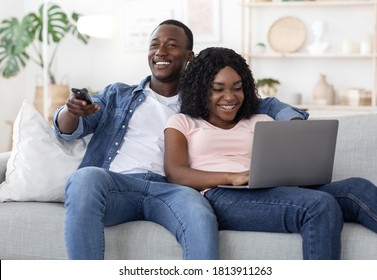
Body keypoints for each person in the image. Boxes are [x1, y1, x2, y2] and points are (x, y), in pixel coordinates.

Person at [54, 20, 308, 260]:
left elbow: (265, 104)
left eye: (171, 45)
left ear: (189, 56)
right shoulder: (118, 95)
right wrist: (71, 110)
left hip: (172, 189)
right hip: (118, 186)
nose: (160, 51)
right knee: (85, 177)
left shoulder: (205, 99)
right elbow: (68, 130)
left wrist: (293, 123)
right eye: (154, 44)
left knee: (199, 213)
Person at [164, 47, 377, 259]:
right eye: (218, 89)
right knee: (319, 204)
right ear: (200, 89)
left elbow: (285, 157)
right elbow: (176, 173)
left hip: (270, 190)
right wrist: (232, 177)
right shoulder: (183, 123)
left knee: (355, 188)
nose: (230, 97)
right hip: (221, 196)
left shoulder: (260, 120)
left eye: (237, 87)